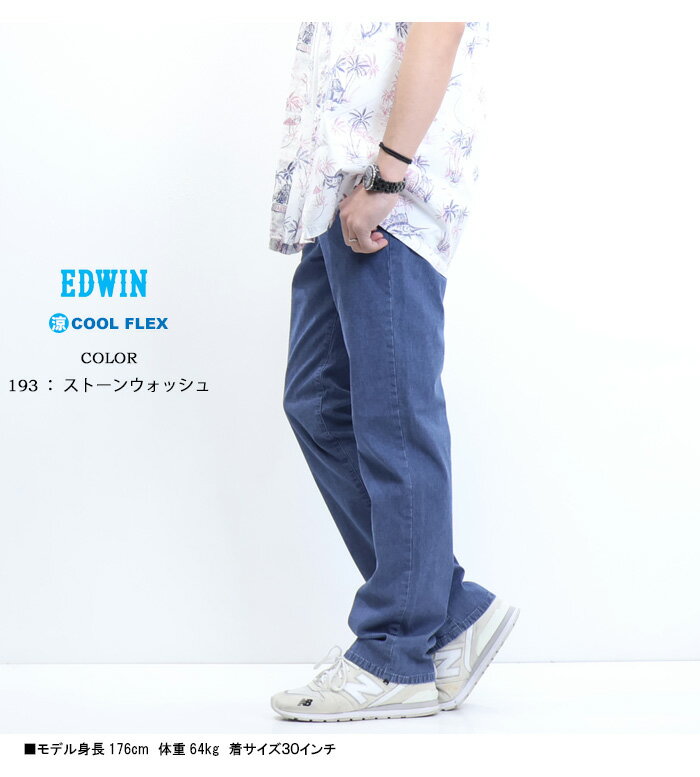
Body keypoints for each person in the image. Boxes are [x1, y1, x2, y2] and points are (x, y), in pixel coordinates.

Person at [268, 21, 520, 723]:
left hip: (389, 201)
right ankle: (449, 611)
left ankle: (395, 651)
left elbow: (438, 29)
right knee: (316, 402)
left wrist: (387, 176)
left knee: (394, 419)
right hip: (341, 194)